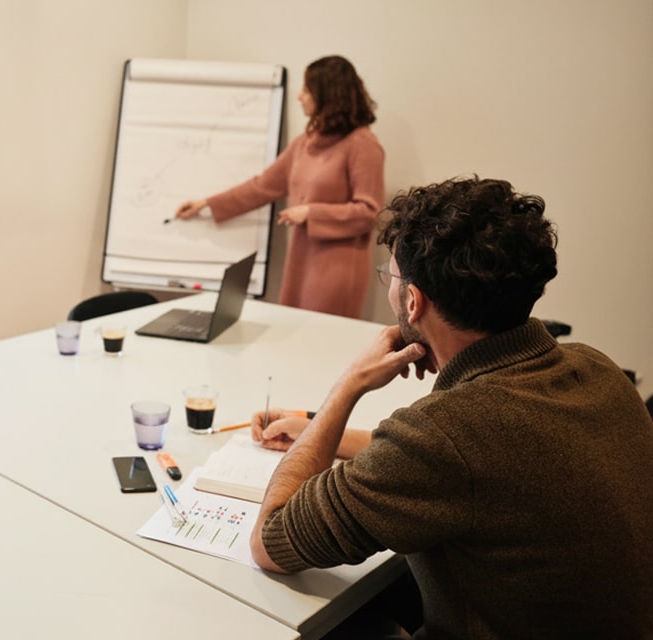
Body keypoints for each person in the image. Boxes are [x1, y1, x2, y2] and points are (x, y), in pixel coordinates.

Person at [249, 176, 653, 638]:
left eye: (392, 275)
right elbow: (475, 465)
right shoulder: (597, 369)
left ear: (413, 301)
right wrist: (319, 433)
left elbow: (270, 543)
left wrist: (347, 386)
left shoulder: (444, 434)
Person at [175, 55, 384, 319]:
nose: (299, 96)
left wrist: (310, 213)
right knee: (293, 335)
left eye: (307, 89)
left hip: (336, 268)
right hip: (300, 261)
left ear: (329, 95)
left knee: (321, 341)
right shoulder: (304, 143)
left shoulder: (363, 144)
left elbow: (369, 212)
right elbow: (262, 186)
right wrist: (207, 203)